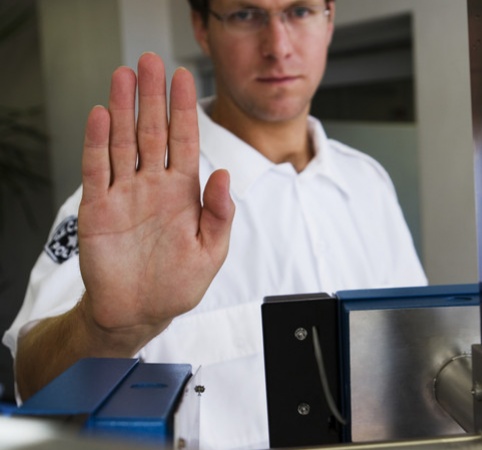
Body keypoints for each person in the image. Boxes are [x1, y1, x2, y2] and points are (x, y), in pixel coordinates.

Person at [3, 0, 426, 449]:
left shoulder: (368, 182)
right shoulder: (127, 201)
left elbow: (416, 358)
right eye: (246, 14)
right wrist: (104, 328)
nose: (278, 46)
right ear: (201, 28)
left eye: (299, 11)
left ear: (330, 18)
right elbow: (33, 384)